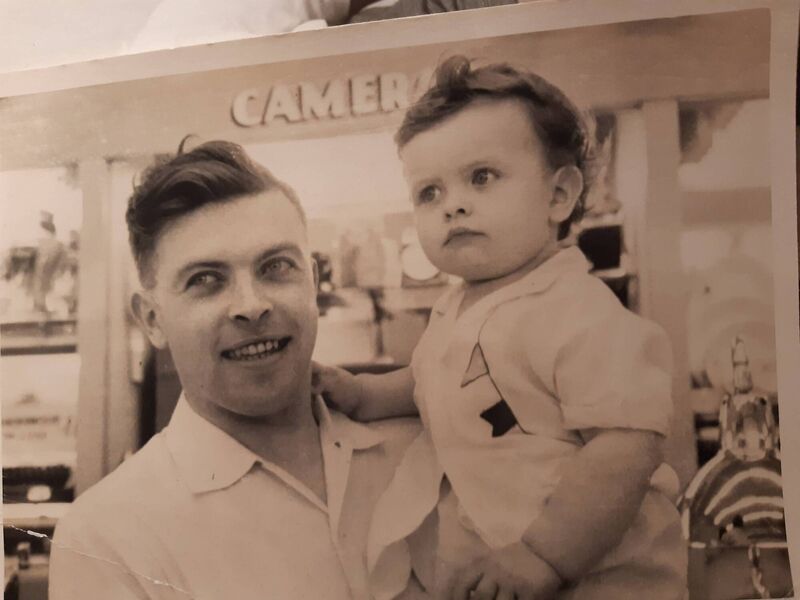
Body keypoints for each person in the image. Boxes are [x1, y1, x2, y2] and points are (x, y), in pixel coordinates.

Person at [314, 56, 687, 600]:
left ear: (558, 196)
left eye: (481, 177)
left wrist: (544, 555)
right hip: (498, 570)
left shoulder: (576, 310)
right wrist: (362, 393)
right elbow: (426, 381)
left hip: (601, 576)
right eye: (429, 192)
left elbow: (626, 446)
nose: (453, 207)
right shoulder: (454, 308)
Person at [48, 140, 423, 600]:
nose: (251, 305)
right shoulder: (106, 538)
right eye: (205, 280)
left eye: (276, 266)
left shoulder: (433, 444)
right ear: (152, 319)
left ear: (312, 282)